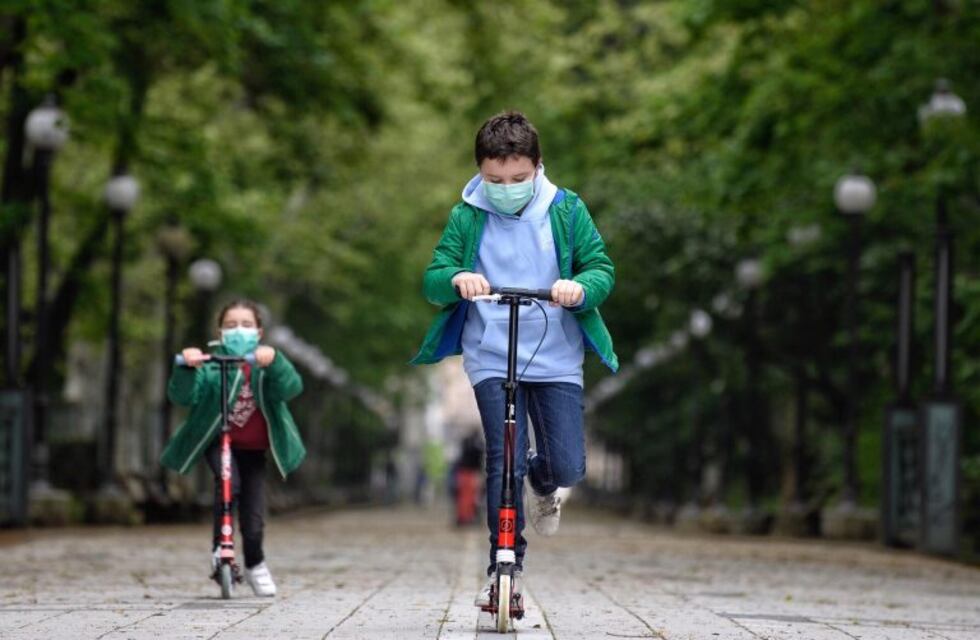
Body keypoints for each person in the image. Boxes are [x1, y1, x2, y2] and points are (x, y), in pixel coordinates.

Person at [411, 111, 618, 607]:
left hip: (556, 355)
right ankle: (505, 565)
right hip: (491, 354)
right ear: (480, 171)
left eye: (518, 179)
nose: (506, 188)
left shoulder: (566, 210)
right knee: (503, 461)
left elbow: (600, 269)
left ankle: (543, 482)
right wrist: (457, 278)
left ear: (538, 166)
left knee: (567, 464)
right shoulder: (467, 213)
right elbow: (434, 275)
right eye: (494, 179)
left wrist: (579, 288)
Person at [161, 299, 305, 597]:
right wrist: (188, 367)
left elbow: (290, 387)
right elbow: (184, 397)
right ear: (220, 331)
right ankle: (220, 548)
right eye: (231, 325)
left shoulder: (265, 364)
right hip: (219, 442)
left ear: (259, 331)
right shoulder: (211, 365)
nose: (239, 330)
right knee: (228, 484)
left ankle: (255, 563)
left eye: (246, 325)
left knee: (253, 516)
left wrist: (275, 361)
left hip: (253, 450)